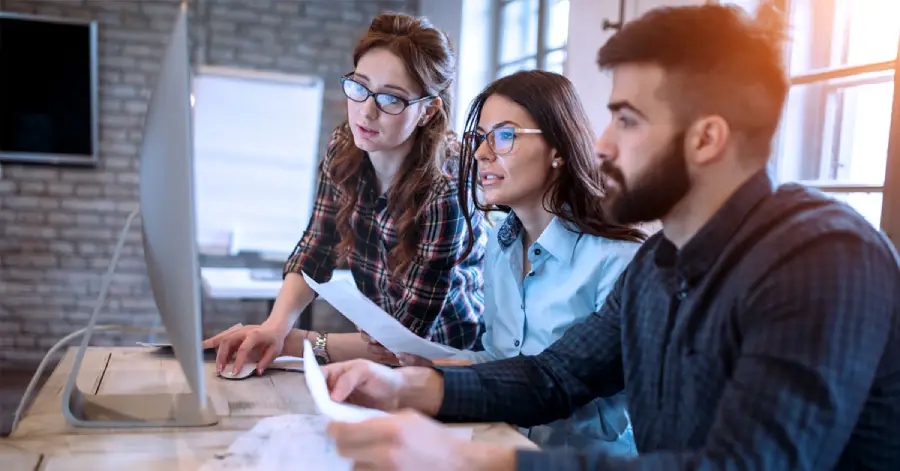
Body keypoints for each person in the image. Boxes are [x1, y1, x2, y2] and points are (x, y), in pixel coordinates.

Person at [318, 4, 900, 471]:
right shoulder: (657, 266)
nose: (600, 145)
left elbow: (745, 462)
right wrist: (407, 388)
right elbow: (553, 376)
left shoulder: (824, 259)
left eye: (626, 119)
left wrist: (476, 459)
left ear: (707, 139)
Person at [203, 13, 489, 375]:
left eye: (392, 99)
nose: (366, 112)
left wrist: (294, 341)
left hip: (450, 364)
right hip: (384, 358)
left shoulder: (445, 189)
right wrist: (275, 327)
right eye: (359, 87)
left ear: (428, 110)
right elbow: (317, 246)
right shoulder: (345, 147)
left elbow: (401, 340)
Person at [380, 69, 646, 454]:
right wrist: (428, 366)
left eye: (504, 136)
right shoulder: (500, 248)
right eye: (479, 138)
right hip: (498, 446)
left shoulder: (617, 263)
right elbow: (499, 357)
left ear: (558, 148)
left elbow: (561, 384)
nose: (481, 154)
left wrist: (434, 385)